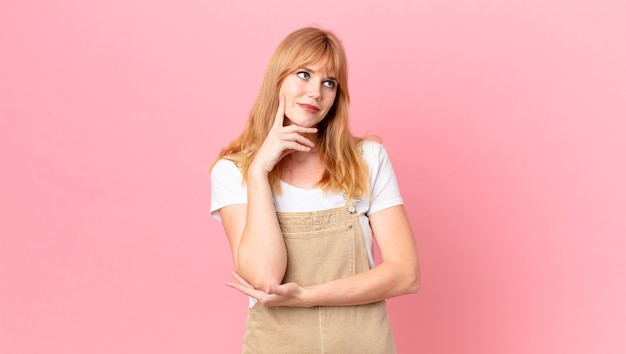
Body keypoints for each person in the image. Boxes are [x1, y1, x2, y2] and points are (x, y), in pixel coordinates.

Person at [210, 26, 420, 353]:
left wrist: (306, 297)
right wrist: (259, 173)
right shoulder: (232, 172)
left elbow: (406, 274)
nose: (315, 93)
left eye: (329, 83)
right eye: (304, 74)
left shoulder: (367, 159)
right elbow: (265, 278)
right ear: (277, 79)